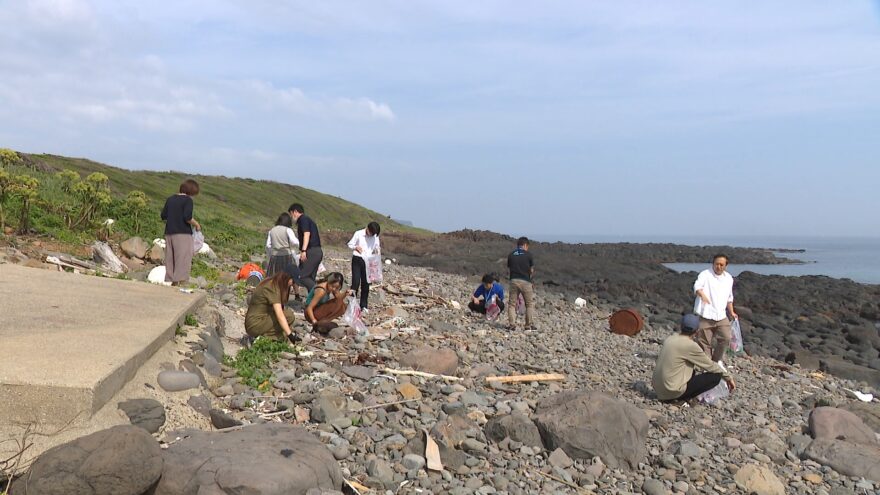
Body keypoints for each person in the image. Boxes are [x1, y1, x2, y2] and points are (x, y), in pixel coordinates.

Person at [653, 314, 736, 402]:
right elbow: (710, 365)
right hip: (671, 392)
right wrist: (728, 377)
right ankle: (682, 399)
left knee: (690, 367)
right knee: (716, 376)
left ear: (681, 326)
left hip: (658, 389)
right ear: (697, 331)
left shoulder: (670, 338)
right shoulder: (691, 346)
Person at [693, 254, 739, 361]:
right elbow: (697, 286)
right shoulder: (705, 274)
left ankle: (716, 360)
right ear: (713, 264)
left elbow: (729, 297)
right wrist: (702, 295)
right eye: (716, 264)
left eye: (721, 264)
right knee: (704, 341)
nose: (718, 266)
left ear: (726, 266)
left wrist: (731, 312)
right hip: (705, 314)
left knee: (726, 338)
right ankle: (707, 363)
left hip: (721, 315)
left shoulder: (728, 278)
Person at [244, 266, 301, 344]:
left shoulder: (275, 282)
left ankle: (273, 336)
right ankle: (262, 337)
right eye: (293, 282)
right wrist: (290, 334)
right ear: (287, 277)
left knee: (288, 318)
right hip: (255, 324)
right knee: (288, 315)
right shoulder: (272, 287)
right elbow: (279, 314)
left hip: (263, 319)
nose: (292, 284)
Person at [160, 179, 201, 286]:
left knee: (171, 258)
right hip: (183, 233)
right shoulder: (187, 200)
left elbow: (163, 216)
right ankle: (182, 283)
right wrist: (196, 224)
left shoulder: (170, 199)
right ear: (191, 192)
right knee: (183, 258)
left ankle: (173, 281)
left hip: (169, 233)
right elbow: (187, 217)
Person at [288, 203, 323, 291]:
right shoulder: (307, 220)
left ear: (295, 212)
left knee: (302, 276)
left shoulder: (303, 219)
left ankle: (319, 295)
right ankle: (313, 301)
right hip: (316, 251)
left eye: (291, 214)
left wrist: (303, 250)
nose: (291, 217)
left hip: (311, 251)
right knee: (310, 277)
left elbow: (306, 234)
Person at [348, 221, 381, 312]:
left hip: (369, 261)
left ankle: (364, 306)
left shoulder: (375, 237)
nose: (371, 235)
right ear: (367, 228)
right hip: (358, 259)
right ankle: (351, 304)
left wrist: (377, 253)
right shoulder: (359, 233)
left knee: (366, 283)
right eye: (371, 232)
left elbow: (377, 247)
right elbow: (350, 244)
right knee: (355, 282)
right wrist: (356, 247)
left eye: (373, 234)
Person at [506, 237, 535, 330]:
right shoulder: (528, 255)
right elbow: (531, 270)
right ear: (525, 245)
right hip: (525, 281)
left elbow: (510, 268)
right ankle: (528, 325)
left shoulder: (511, 255)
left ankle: (512, 324)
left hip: (513, 280)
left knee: (512, 304)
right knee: (529, 304)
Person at [265, 212, 300, 278]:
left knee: (274, 277)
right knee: (289, 277)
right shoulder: (288, 230)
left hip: (274, 257)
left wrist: (270, 255)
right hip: (286, 256)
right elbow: (295, 242)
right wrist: (293, 248)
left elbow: (268, 245)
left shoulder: (271, 230)